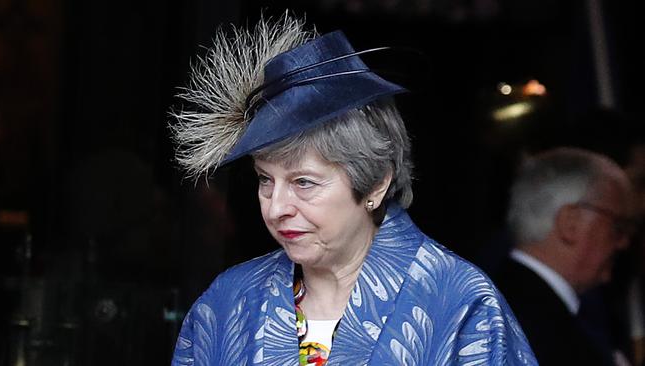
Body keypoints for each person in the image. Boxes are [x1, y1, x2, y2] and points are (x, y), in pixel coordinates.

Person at [169, 14, 536, 365]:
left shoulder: (460, 304)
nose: (276, 207)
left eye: (303, 182)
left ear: (376, 182)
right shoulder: (229, 300)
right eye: (266, 180)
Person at [492, 147, 635, 365]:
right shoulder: (533, 329)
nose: (624, 242)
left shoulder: (499, 303)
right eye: (618, 226)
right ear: (570, 223)